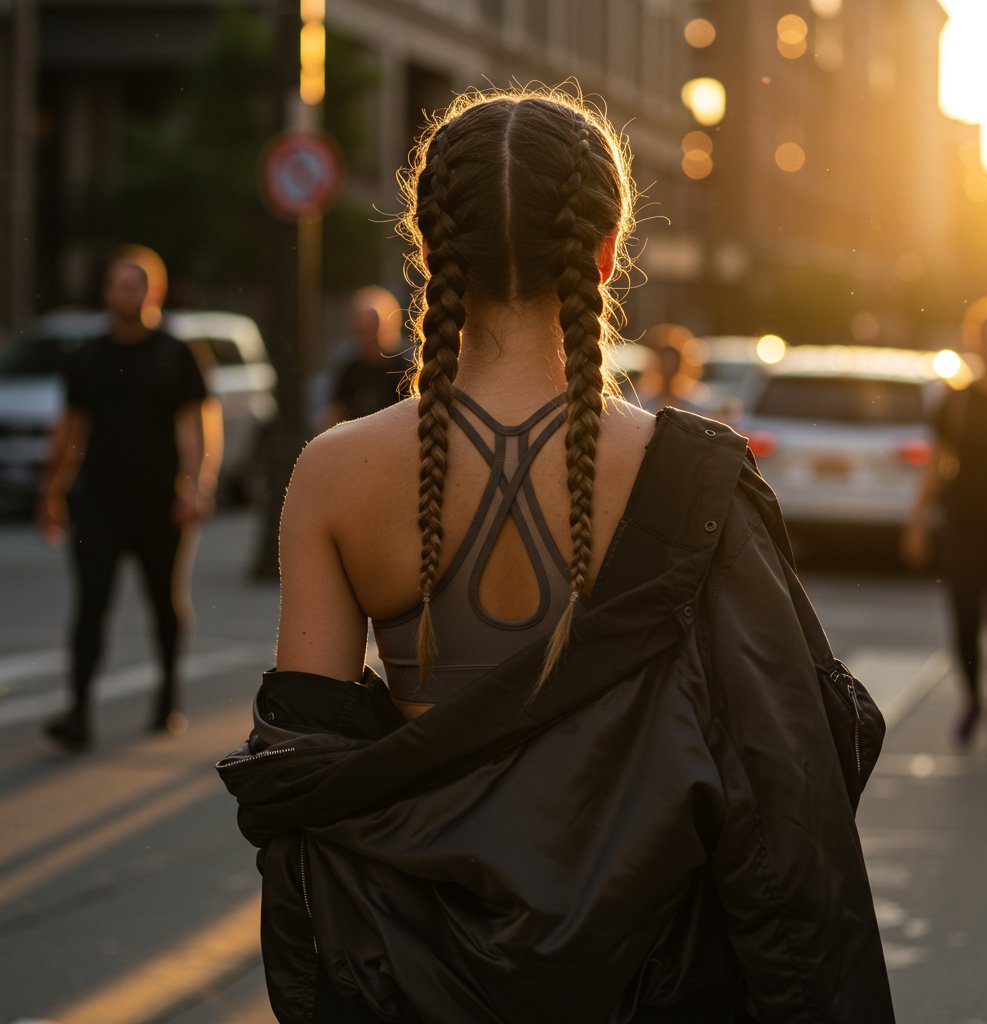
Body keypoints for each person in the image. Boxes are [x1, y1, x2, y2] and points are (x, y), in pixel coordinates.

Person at [218, 88, 894, 1022]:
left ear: (427, 252)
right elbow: (780, 776)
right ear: (607, 252)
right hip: (653, 963)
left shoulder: (333, 474)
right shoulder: (689, 476)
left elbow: (303, 780)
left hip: (414, 967)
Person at [37, 254, 222, 750]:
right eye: (115, 286)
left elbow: (197, 426)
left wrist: (196, 487)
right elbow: (70, 431)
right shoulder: (87, 356)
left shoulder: (176, 354)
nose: (123, 295)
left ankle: (167, 696)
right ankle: (77, 712)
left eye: (132, 286)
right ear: (106, 293)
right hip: (97, 503)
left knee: (164, 604)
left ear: (153, 292)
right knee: (90, 605)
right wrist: (51, 492)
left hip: (162, 504)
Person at [904, 315, 987, 744]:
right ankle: (973, 701)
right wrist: (917, 522)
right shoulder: (957, 400)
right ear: (975, 344)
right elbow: (936, 464)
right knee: (966, 616)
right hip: (965, 524)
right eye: (986, 340)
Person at [318, 285, 406, 430]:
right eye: (360, 331)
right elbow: (334, 413)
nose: (366, 339)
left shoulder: (403, 368)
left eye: (370, 331)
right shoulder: (351, 370)